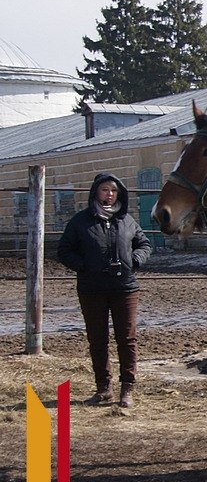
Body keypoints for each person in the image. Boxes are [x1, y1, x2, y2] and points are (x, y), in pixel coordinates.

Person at [57, 173, 152, 408]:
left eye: (114, 190)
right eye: (105, 190)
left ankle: (127, 388)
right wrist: (85, 266)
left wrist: (135, 260)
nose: (109, 194)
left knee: (127, 338)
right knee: (97, 340)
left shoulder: (127, 220)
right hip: (92, 289)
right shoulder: (80, 221)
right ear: (95, 192)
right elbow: (64, 251)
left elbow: (144, 244)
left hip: (125, 288)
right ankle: (103, 388)